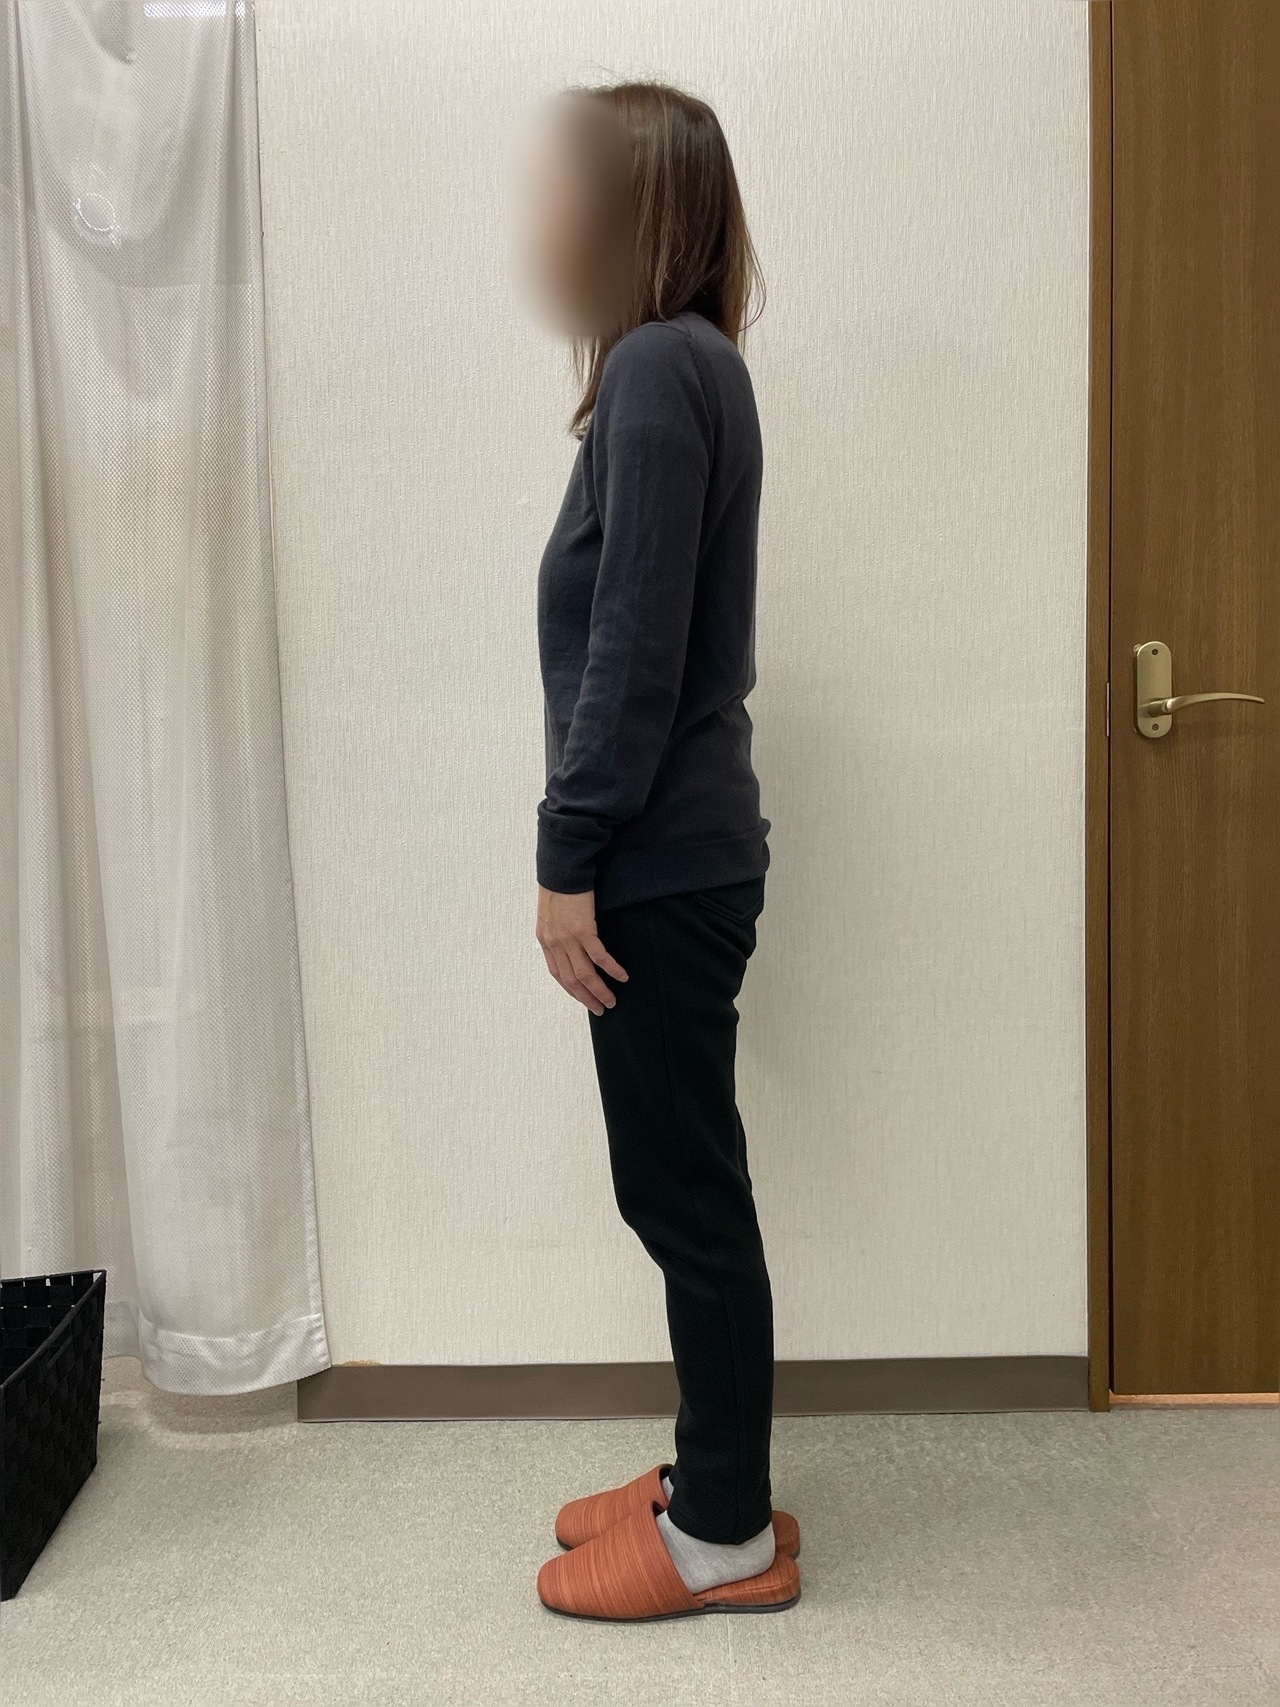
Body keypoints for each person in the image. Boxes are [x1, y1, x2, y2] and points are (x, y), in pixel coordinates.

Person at [517, 81, 799, 1623]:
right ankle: (714, 1478)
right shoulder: (685, 367)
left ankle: (727, 1538)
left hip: (658, 863)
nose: (540, 218)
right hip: (683, 854)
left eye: (563, 190)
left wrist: (567, 853)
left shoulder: (657, 372)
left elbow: (633, 650)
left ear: (630, 209)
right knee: (688, 1187)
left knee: (685, 1197)